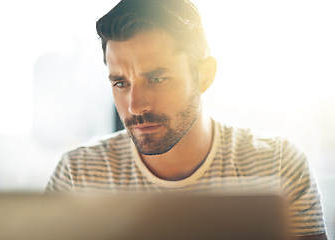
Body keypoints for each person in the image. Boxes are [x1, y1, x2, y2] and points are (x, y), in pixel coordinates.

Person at [46, 0, 327, 239]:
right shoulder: (78, 175)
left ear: (204, 76)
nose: (134, 106)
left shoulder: (278, 166)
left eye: (156, 78)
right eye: (121, 83)